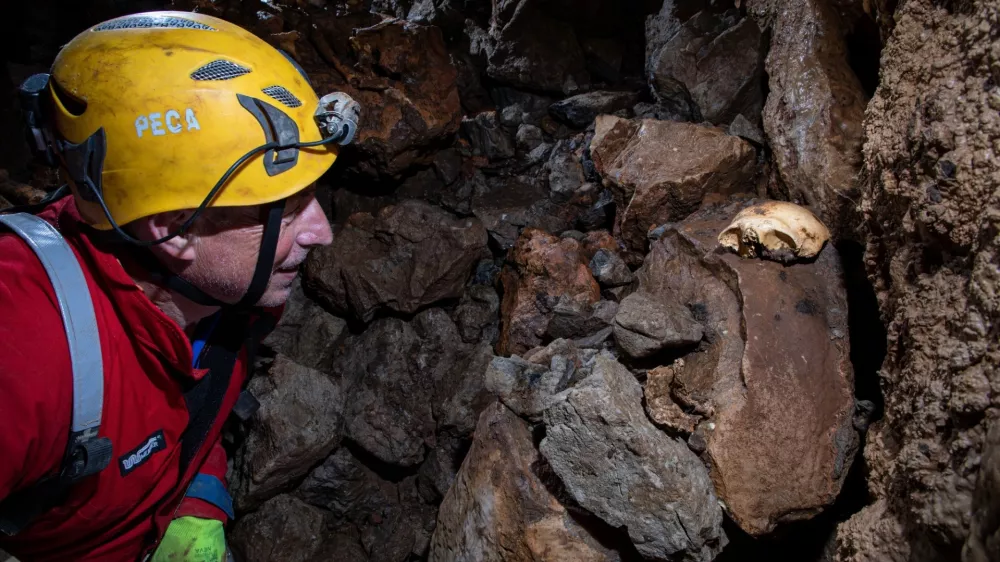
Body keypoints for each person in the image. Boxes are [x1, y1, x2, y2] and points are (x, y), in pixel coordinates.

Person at [0, 10, 359, 562]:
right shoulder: (23, 349)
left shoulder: (230, 290)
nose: (323, 234)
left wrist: (198, 498)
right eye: (285, 210)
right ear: (171, 228)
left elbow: (190, 399)